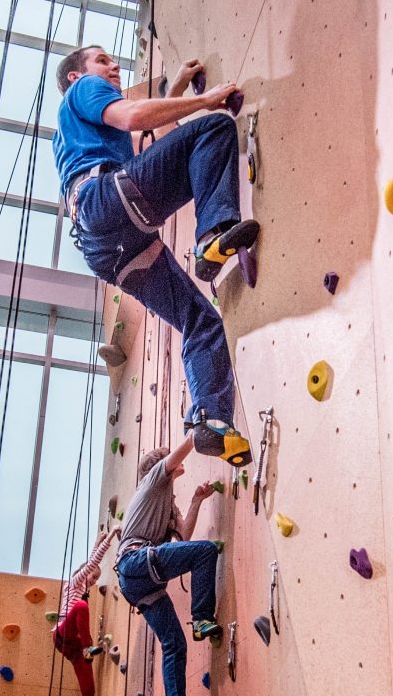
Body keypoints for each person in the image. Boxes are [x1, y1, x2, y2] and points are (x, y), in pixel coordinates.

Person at [52, 45, 257, 467]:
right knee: (213, 129)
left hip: (107, 248)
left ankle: (210, 420)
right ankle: (212, 235)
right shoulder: (83, 92)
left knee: (199, 320)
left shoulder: (73, 134)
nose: (113, 67)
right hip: (108, 202)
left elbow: (147, 146)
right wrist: (203, 99)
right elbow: (133, 117)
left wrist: (176, 86)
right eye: (102, 61)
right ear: (77, 76)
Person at [115, 434, 226, 696]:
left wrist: (195, 501)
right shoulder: (150, 483)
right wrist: (198, 432)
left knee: (174, 642)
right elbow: (177, 455)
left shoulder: (168, 505)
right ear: (162, 466)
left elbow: (184, 539)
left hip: (140, 583)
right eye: (168, 459)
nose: (174, 463)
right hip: (136, 562)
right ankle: (202, 617)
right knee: (206, 552)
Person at [52, 526, 115, 696]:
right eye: (93, 577)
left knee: (89, 690)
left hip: (75, 648)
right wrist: (108, 538)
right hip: (63, 635)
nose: (93, 581)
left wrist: (97, 542)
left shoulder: (83, 590)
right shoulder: (73, 585)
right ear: (83, 574)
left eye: (97, 579)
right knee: (80, 606)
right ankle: (89, 650)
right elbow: (89, 565)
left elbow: (91, 565)